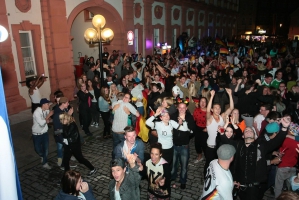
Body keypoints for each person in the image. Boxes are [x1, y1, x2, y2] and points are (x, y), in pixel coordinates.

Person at [232, 116, 291, 200]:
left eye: (251, 131)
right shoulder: (239, 146)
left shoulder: (260, 146)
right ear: (243, 136)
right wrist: (235, 179)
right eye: (246, 131)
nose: (248, 131)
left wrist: (284, 128)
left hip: (254, 188)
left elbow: (275, 142)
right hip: (240, 186)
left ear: (255, 136)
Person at [204, 88, 234, 176]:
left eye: (219, 108)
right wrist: (212, 97)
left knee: (218, 164)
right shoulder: (209, 119)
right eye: (215, 108)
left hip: (219, 146)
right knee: (209, 164)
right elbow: (207, 110)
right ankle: (206, 178)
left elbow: (231, 108)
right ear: (212, 110)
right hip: (210, 147)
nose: (218, 110)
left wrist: (230, 95)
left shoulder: (222, 117)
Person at [170, 103, 195, 189]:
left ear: (186, 108)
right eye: (180, 107)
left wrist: (183, 123)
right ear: (177, 108)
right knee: (173, 164)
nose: (181, 109)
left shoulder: (189, 117)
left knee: (184, 165)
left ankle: (183, 181)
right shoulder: (173, 116)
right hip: (174, 144)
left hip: (184, 145)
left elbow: (191, 131)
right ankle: (172, 177)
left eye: (183, 107)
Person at [53, 97, 74, 166]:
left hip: (65, 134)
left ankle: (66, 161)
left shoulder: (64, 109)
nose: (68, 104)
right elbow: (57, 129)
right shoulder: (57, 113)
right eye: (67, 103)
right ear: (63, 104)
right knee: (60, 149)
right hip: (60, 136)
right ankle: (61, 163)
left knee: (66, 149)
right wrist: (62, 139)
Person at [32, 98, 52, 169]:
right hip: (36, 134)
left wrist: (48, 119)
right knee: (37, 149)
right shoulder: (37, 112)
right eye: (47, 104)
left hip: (44, 132)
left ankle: (45, 163)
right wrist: (48, 116)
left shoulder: (47, 110)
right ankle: (42, 156)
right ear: (43, 105)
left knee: (46, 149)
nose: (49, 105)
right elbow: (41, 123)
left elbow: (46, 120)